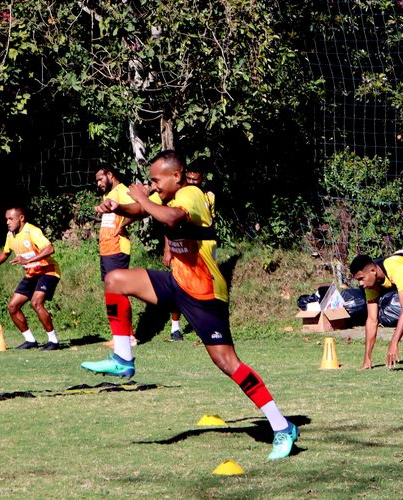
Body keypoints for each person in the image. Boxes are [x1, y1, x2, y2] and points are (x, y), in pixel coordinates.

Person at [81, 150, 298, 460]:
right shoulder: (167, 196)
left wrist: (141, 197)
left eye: (157, 180)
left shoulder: (191, 194)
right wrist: (121, 206)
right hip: (177, 283)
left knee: (228, 364)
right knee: (115, 279)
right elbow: (144, 211)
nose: (153, 185)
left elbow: (171, 217)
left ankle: (282, 427)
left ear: (176, 176)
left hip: (205, 293)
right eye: (151, 182)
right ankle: (123, 358)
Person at [0, 207, 61, 350]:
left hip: (48, 271)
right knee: (12, 307)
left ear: (21, 218)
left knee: (36, 303)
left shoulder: (32, 231)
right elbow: (6, 252)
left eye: (11, 219)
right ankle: (30, 340)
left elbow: (50, 249)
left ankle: (53, 341)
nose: (7, 222)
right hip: (32, 274)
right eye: (6, 219)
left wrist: (28, 261)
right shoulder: (10, 235)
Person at [165, 165, 216, 341]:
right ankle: (175, 328)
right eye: (190, 179)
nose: (193, 183)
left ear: (202, 179)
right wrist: (168, 251)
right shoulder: (177, 197)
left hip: (202, 248)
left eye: (196, 180)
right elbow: (169, 224)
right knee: (178, 287)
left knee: (206, 286)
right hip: (181, 247)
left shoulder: (208, 196)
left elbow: (209, 221)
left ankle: (206, 326)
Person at [95, 167, 137, 347]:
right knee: (111, 294)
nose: (98, 183)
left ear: (110, 175)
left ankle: (129, 336)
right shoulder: (109, 195)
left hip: (117, 248)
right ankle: (119, 335)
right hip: (106, 250)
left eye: (100, 179)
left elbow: (135, 210)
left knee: (118, 292)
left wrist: (123, 226)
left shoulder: (122, 191)